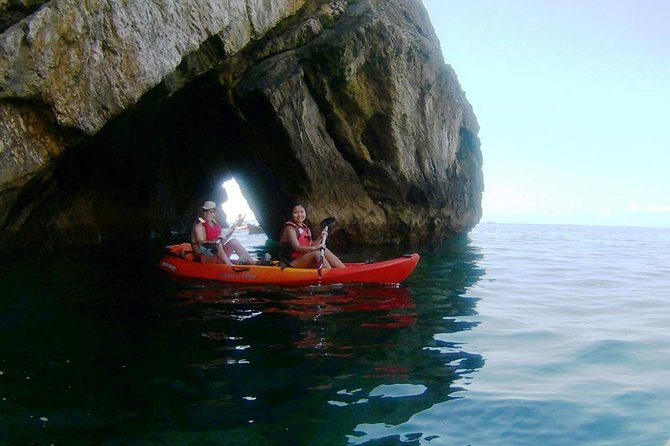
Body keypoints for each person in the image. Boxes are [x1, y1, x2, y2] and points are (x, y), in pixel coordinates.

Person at [191, 200, 258, 265]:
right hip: (204, 255)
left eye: (211, 211)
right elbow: (201, 242)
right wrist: (215, 241)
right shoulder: (199, 225)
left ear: (215, 213)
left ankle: (252, 262)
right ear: (202, 212)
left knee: (233, 241)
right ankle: (229, 265)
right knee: (218, 244)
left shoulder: (215, 223)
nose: (208, 213)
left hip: (216, 253)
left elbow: (222, 240)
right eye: (206, 211)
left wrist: (233, 228)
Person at [279, 204, 345, 268]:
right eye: (296, 213)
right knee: (317, 253)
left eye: (302, 212)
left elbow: (311, 245)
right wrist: (315, 249)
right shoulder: (290, 228)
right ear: (291, 214)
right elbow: (296, 247)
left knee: (324, 250)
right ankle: (331, 275)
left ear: (305, 213)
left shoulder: (305, 228)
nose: (299, 215)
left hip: (303, 259)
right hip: (289, 262)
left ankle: (343, 270)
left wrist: (320, 237)